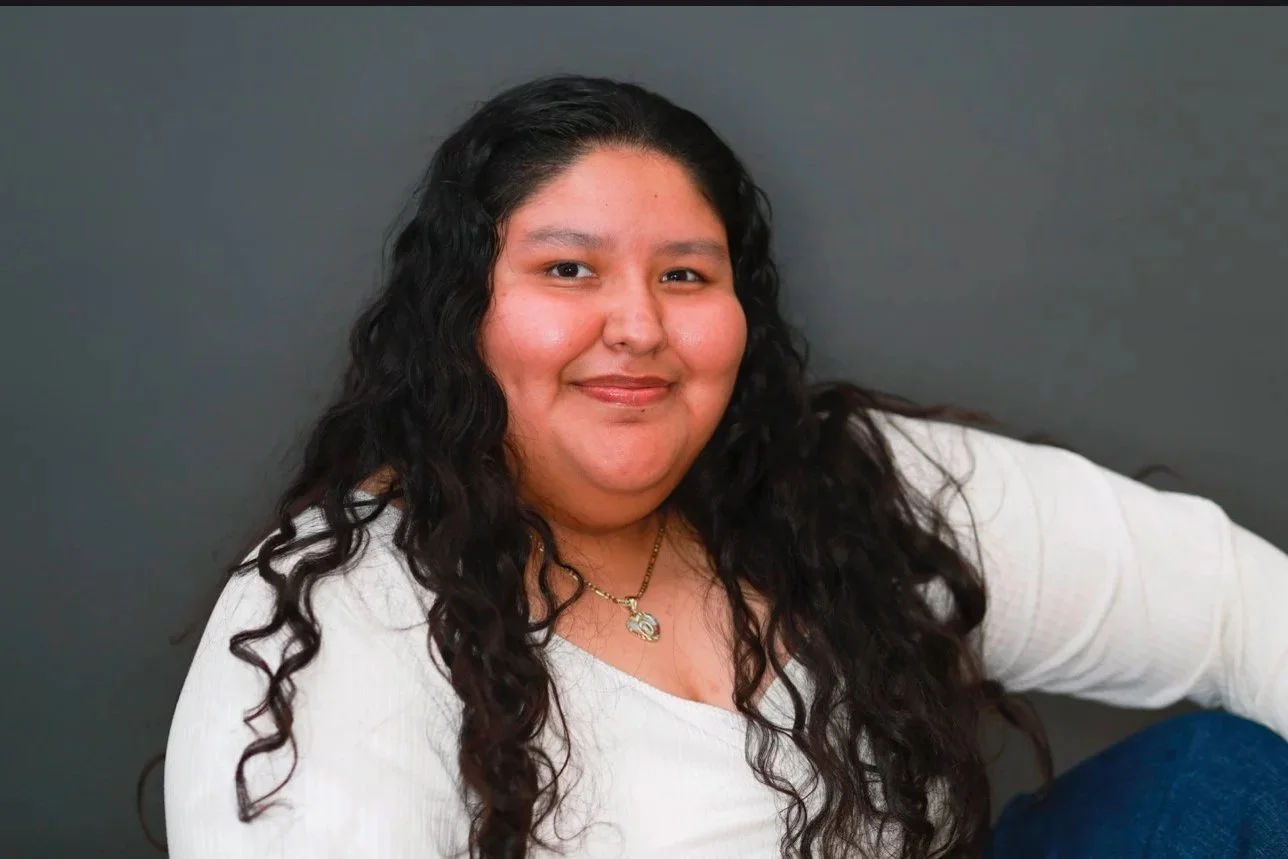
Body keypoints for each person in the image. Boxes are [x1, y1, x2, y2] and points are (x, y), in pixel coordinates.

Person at [161, 75, 1288, 859]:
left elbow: (1238, 603)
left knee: (1219, 781)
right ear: (463, 316)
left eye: (687, 277)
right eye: (568, 270)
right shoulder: (340, 616)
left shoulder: (838, 487)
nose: (637, 326)